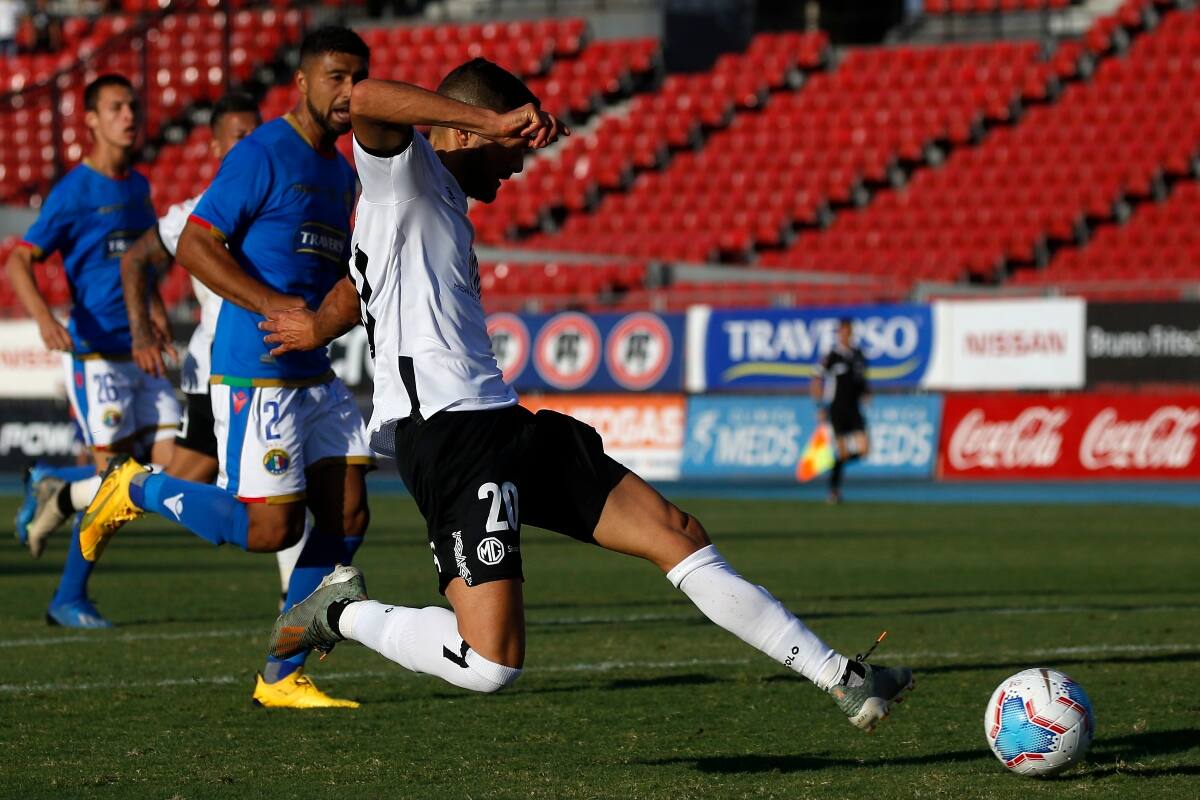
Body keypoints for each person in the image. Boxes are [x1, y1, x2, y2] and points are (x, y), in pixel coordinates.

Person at [260, 59, 913, 732]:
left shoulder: (431, 204)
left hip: (502, 422)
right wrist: (492, 119)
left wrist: (316, 323)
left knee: (677, 535)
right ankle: (338, 610)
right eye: (509, 148)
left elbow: (362, 284)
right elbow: (362, 96)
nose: (516, 167)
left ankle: (841, 676)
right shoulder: (407, 171)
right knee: (491, 663)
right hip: (451, 436)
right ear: (459, 133)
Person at [79, 27, 373, 709]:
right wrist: (275, 304)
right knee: (272, 530)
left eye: (358, 77)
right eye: (335, 76)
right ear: (301, 82)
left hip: (313, 368)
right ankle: (136, 489)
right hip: (256, 367)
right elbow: (193, 243)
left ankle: (281, 672)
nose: (348, 92)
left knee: (349, 513)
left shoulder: (340, 169)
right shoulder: (263, 152)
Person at [116, 91, 310, 604]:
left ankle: (298, 601)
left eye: (257, 132)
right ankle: (96, 491)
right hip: (224, 370)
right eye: (239, 135)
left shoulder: (277, 198)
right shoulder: (194, 213)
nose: (252, 142)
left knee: (288, 485)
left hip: (279, 360)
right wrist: (145, 324)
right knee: (253, 494)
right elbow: (136, 261)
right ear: (217, 144)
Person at [5, 73, 180, 628]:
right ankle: (68, 597)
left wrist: (153, 312)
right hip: (95, 357)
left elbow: (143, 264)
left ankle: (53, 483)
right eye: (115, 107)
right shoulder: (75, 193)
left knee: (175, 468)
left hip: (140, 352)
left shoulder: (138, 187)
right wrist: (43, 317)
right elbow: (18, 261)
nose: (129, 115)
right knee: (116, 487)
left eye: (133, 105)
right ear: (91, 120)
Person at [812, 318, 870, 504]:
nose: (844, 335)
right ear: (838, 333)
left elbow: (862, 380)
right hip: (837, 409)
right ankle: (834, 491)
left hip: (854, 409)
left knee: (864, 450)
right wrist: (820, 406)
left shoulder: (859, 355)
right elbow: (816, 379)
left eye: (848, 331)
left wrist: (866, 393)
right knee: (843, 453)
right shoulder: (831, 356)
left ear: (851, 333)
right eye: (841, 332)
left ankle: (834, 465)